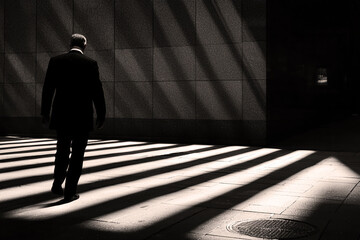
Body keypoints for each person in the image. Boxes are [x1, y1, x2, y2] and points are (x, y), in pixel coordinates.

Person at [41, 34, 106, 203]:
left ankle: (57, 181)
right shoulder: (90, 64)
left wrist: (45, 112)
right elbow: (97, 91)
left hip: (61, 114)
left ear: (70, 43)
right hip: (82, 116)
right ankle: (70, 192)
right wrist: (101, 114)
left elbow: (48, 88)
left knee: (62, 149)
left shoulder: (56, 61)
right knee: (78, 154)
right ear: (84, 46)